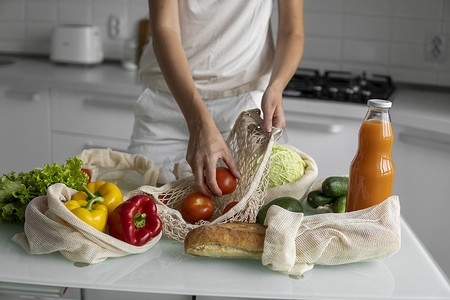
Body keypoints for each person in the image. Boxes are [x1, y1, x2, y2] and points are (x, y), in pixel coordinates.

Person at [128, 0, 304, 197]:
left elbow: (292, 31)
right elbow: (164, 27)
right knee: (141, 200)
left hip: (243, 106)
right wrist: (198, 123)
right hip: (168, 102)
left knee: (237, 212)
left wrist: (277, 85)